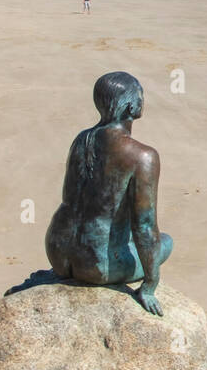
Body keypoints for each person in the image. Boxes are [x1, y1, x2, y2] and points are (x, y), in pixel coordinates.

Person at [43, 71, 172, 316]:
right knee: (166, 243)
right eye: (140, 95)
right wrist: (150, 285)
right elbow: (144, 227)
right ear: (131, 106)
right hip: (96, 266)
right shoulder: (143, 156)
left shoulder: (82, 139)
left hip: (58, 253)